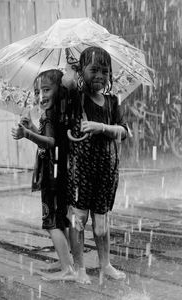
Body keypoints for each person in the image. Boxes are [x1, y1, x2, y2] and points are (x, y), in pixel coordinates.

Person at [64, 46, 128, 284]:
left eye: (105, 71)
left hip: (106, 170)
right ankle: (79, 268)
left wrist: (102, 127)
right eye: (93, 70)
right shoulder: (76, 98)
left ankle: (105, 264)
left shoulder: (112, 102)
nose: (100, 75)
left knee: (101, 222)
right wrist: (71, 70)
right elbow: (67, 83)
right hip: (81, 170)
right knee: (78, 218)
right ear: (82, 71)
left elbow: (123, 131)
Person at [11, 69, 75, 281]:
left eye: (46, 90)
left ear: (60, 90)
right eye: (38, 92)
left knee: (52, 223)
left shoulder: (49, 115)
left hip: (53, 175)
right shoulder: (62, 112)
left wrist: (27, 134)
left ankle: (67, 269)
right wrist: (33, 128)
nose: (41, 96)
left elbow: (50, 143)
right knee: (61, 219)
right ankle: (65, 259)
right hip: (64, 171)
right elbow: (51, 138)